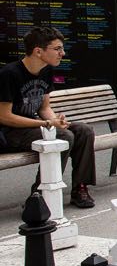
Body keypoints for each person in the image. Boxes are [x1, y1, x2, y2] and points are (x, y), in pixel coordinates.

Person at [0, 27, 97, 207]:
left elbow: (44, 107)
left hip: (35, 127)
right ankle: (38, 195)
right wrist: (47, 123)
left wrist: (56, 121)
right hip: (10, 132)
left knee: (84, 130)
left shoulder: (46, 70)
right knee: (63, 136)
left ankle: (80, 188)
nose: (63, 53)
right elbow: (5, 117)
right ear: (38, 51)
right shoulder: (9, 74)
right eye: (57, 49)